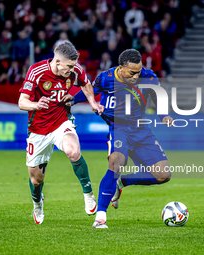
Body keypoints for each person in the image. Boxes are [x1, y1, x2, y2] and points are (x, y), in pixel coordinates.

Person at [65, 49, 173, 228]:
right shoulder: (106, 77)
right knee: (116, 165)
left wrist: (164, 116)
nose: (136, 76)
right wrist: (73, 100)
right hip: (119, 129)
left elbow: (158, 98)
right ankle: (100, 217)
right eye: (132, 73)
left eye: (139, 71)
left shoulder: (149, 77)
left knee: (163, 175)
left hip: (142, 131)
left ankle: (123, 182)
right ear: (121, 68)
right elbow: (89, 90)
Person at [18, 41, 104, 224]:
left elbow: (86, 84)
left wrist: (93, 103)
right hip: (38, 130)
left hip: (61, 121)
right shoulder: (37, 71)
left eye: (74, 66)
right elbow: (21, 102)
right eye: (69, 66)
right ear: (57, 62)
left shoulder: (75, 70)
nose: (72, 70)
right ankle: (37, 204)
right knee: (36, 180)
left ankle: (88, 193)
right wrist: (35, 105)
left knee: (73, 151)